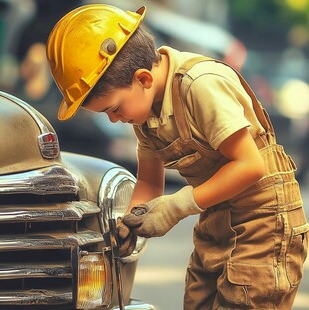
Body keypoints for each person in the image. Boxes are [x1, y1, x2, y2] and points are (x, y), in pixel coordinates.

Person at [46, 4, 309, 309]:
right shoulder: (145, 115)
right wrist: (128, 223)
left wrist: (177, 207)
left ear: (143, 79)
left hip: (265, 223)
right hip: (216, 223)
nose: (114, 120)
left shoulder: (201, 85)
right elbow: (148, 181)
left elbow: (250, 166)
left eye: (115, 109)